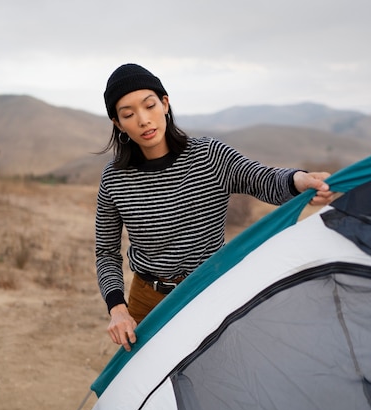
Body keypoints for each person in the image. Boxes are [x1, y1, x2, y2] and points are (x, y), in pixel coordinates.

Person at [96, 63, 334, 352]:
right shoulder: (115, 179)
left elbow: (262, 180)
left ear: (165, 104)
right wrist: (117, 307)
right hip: (146, 301)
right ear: (118, 124)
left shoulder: (209, 156)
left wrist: (298, 181)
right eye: (129, 114)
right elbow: (106, 251)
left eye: (149, 105)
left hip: (207, 292)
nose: (144, 120)